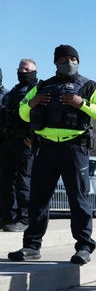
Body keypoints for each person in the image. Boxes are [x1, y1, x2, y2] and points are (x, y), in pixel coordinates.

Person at [7, 45, 96, 264]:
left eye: (73, 58)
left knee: (79, 199)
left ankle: (84, 247)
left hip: (74, 148)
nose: (69, 62)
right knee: (38, 199)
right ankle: (31, 247)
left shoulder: (89, 86)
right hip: (46, 148)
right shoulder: (43, 86)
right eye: (64, 59)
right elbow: (23, 112)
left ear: (78, 61)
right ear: (56, 62)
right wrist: (32, 103)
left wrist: (82, 104)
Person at [0, 59, 38, 232]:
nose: (23, 71)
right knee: (5, 182)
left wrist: (33, 137)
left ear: (34, 71)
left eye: (26, 69)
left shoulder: (38, 90)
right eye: (20, 68)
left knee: (24, 181)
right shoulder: (13, 91)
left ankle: (24, 219)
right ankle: (6, 217)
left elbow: (40, 114)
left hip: (25, 143)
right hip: (9, 141)